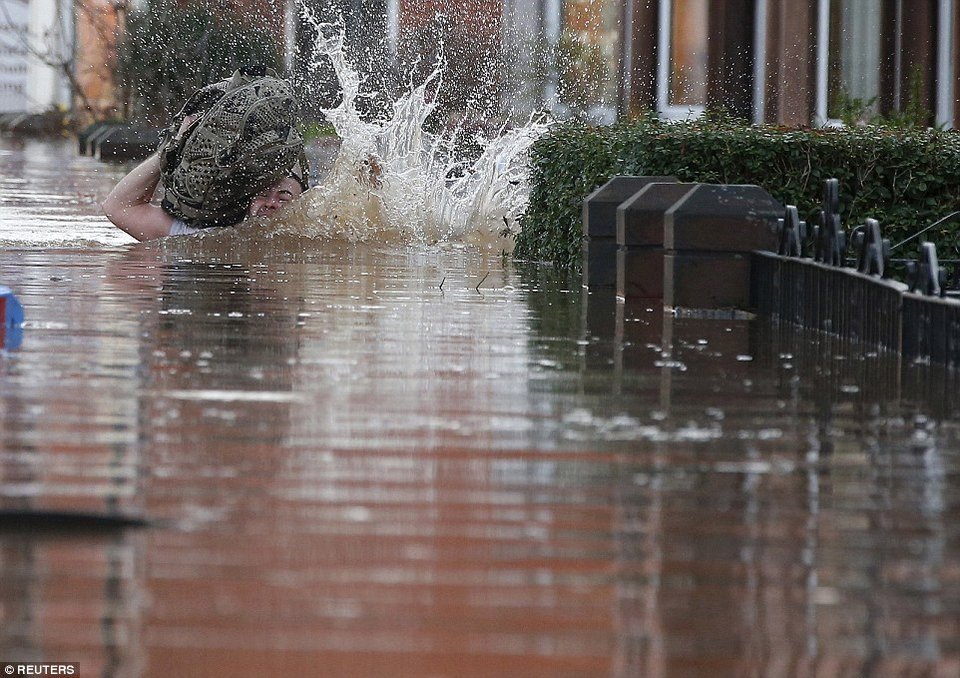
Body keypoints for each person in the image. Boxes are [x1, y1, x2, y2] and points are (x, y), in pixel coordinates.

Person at [102, 148, 305, 241]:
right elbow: (118, 207)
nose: (271, 203)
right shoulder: (202, 234)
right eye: (262, 193)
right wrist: (169, 150)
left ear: (303, 201)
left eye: (283, 197)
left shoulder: (313, 239)